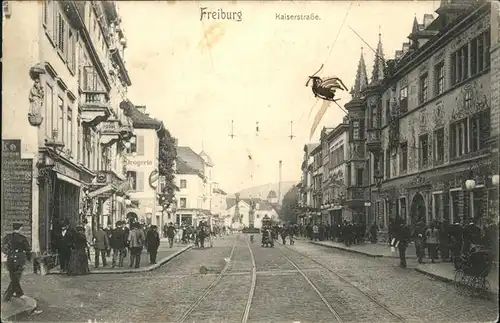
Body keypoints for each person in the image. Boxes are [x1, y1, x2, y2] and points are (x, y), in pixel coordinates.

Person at [2, 223, 31, 302]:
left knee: (13, 277)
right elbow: (28, 250)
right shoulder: (23, 238)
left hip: (10, 259)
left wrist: (8, 253)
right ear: (20, 228)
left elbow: (2, 247)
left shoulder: (7, 237)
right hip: (19, 260)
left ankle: (19, 293)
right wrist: (29, 258)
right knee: (16, 279)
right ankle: (6, 297)